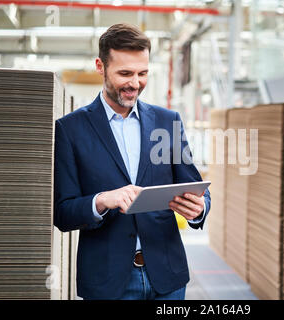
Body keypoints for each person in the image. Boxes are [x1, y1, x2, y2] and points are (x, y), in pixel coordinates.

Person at [53, 23, 211, 300]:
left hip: (167, 278)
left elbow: (196, 186)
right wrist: (102, 200)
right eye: (125, 73)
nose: (135, 83)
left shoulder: (167, 122)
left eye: (143, 73)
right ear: (100, 66)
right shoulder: (70, 129)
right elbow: (63, 213)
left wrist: (199, 208)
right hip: (108, 283)